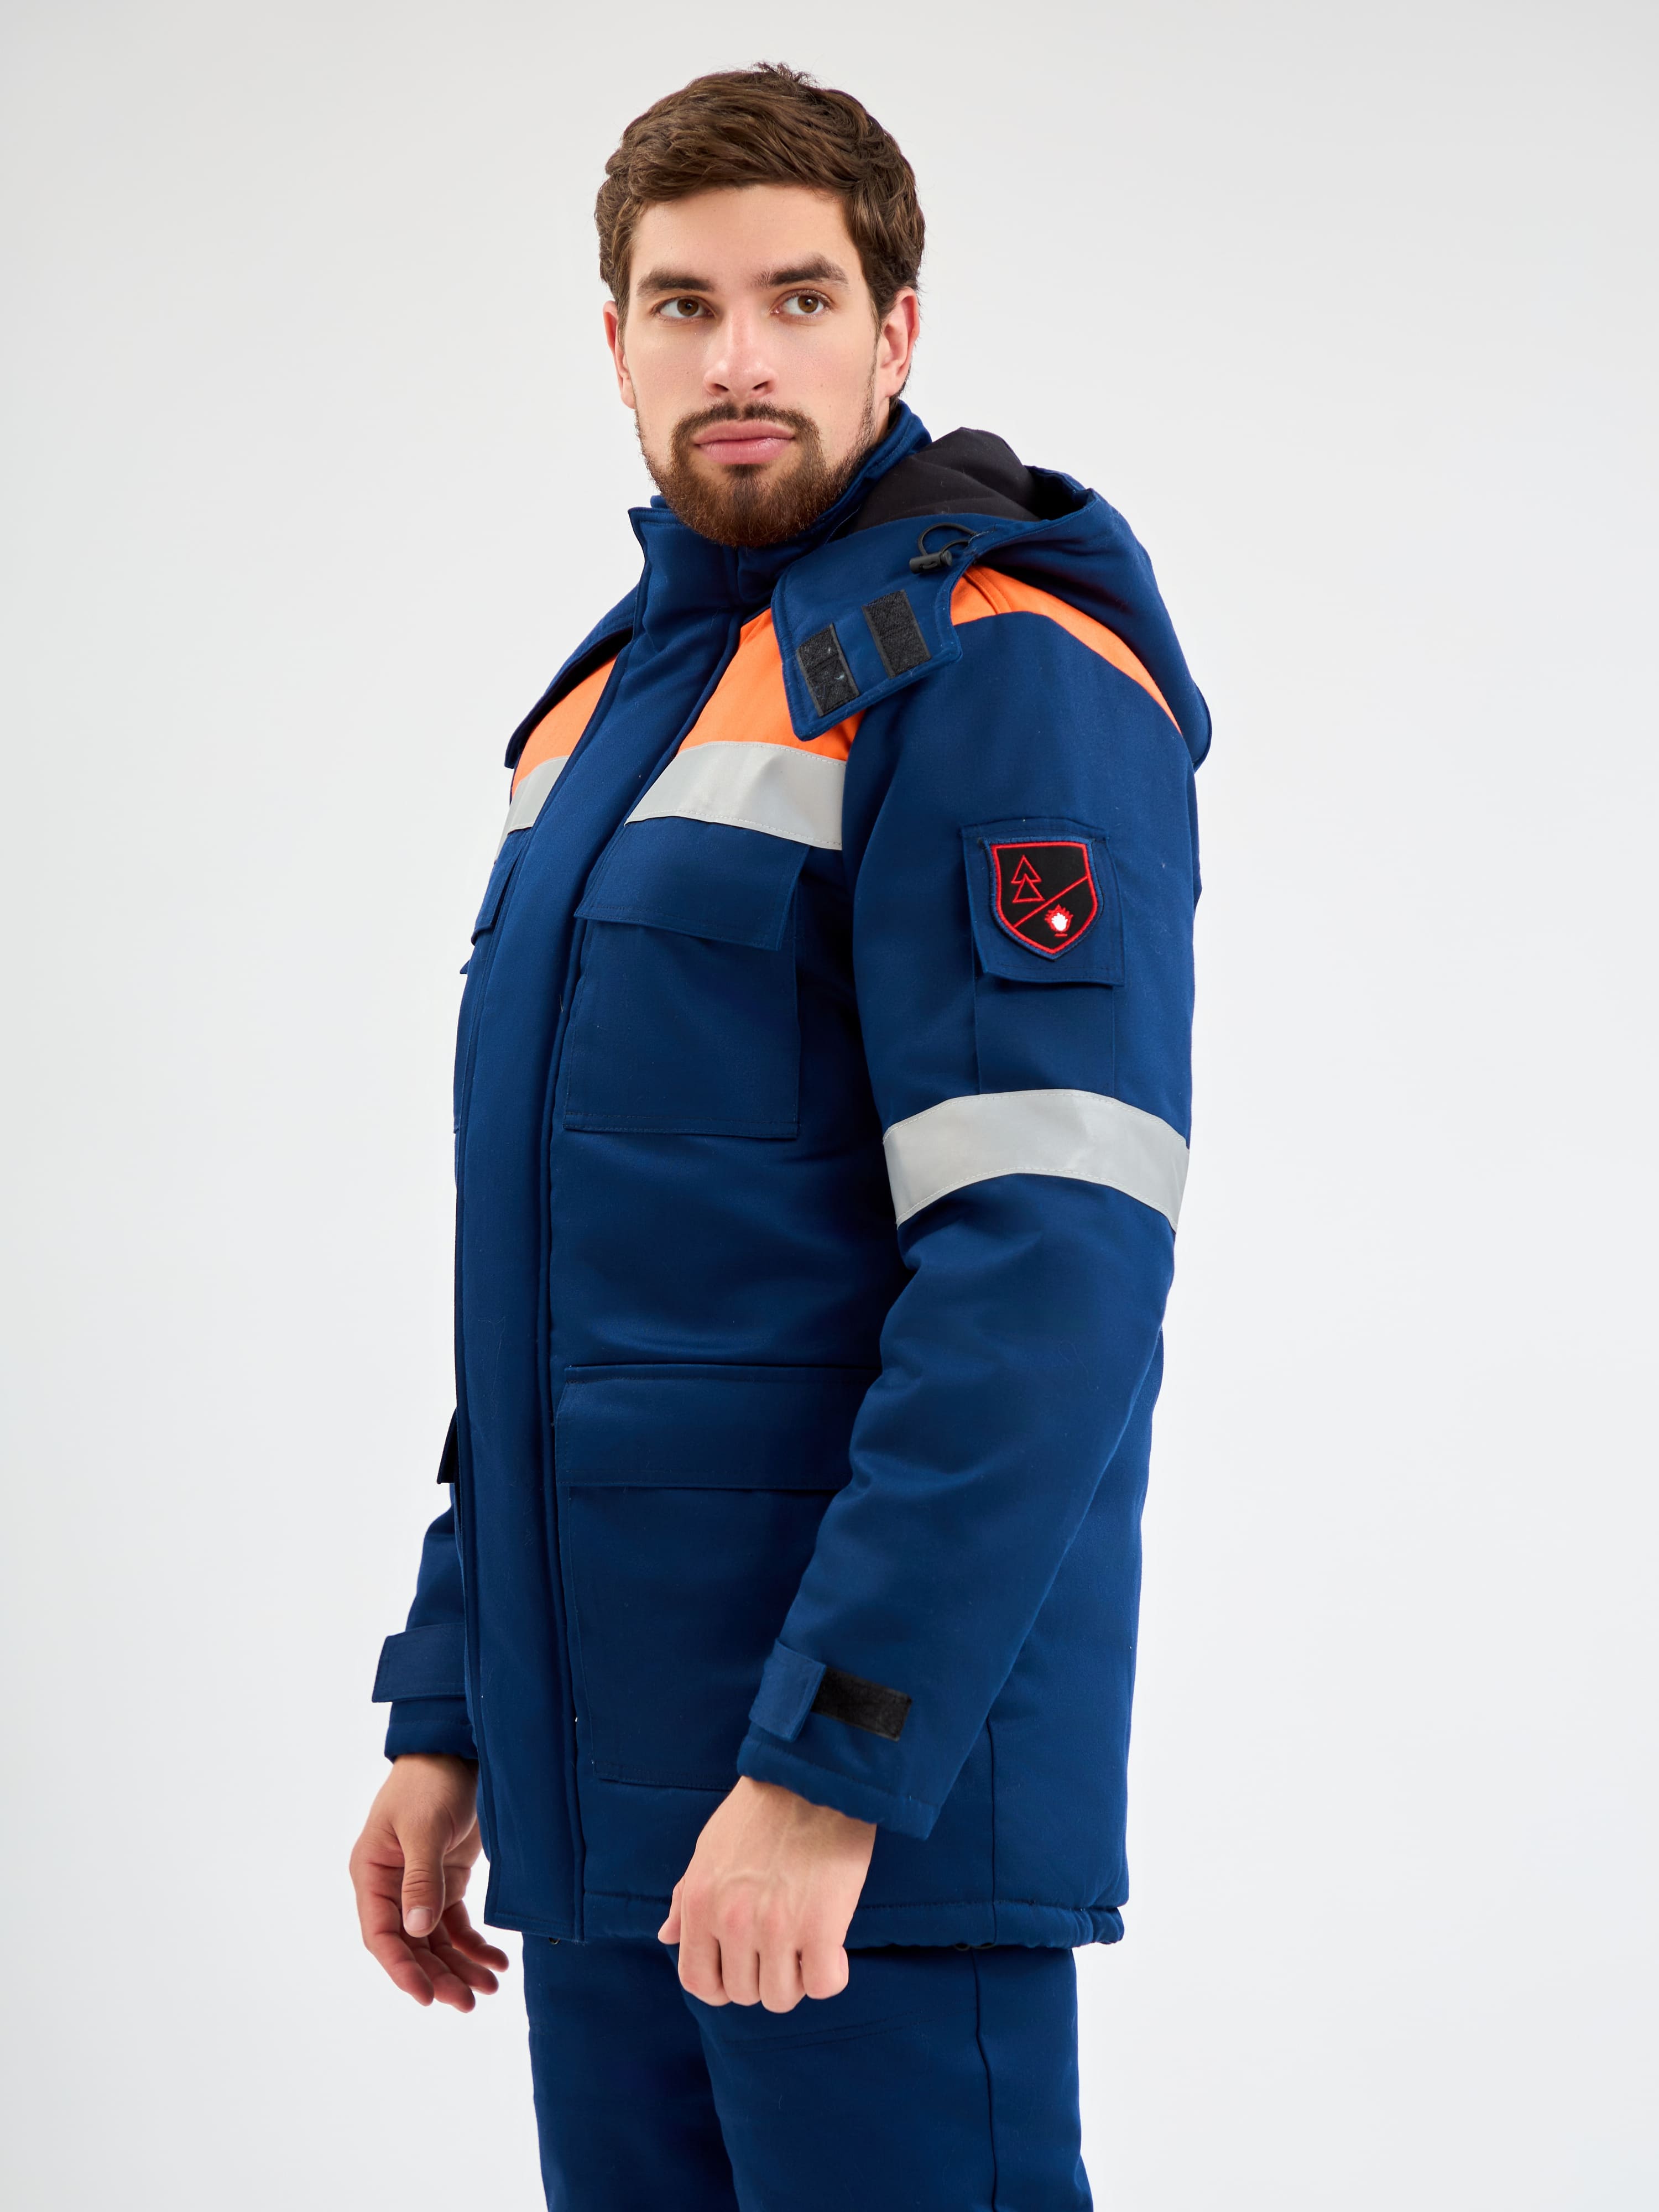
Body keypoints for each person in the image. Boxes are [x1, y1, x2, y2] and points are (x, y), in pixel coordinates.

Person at [348, 61, 1207, 2212]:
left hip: (853, 1841)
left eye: (799, 299)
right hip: (608, 1818)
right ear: (616, 343)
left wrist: (835, 1770)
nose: (739, 358)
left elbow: (1046, 1270)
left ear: (895, 332)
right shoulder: (606, 715)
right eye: (685, 304)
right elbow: (557, 1281)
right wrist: (454, 1709)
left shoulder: (992, 675)